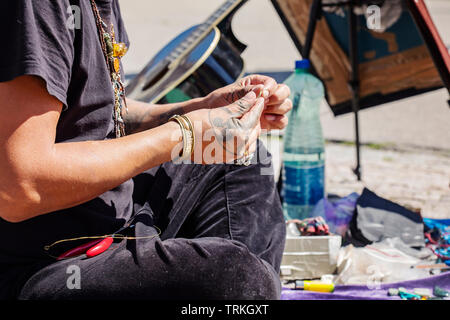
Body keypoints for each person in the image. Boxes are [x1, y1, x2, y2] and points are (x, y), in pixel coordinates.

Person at [0, 0, 292, 300]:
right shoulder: (36, 7)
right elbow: (20, 187)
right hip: (45, 264)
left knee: (242, 158)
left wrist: (197, 109)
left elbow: (95, 115)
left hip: (112, 218)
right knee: (234, 274)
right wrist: (183, 133)